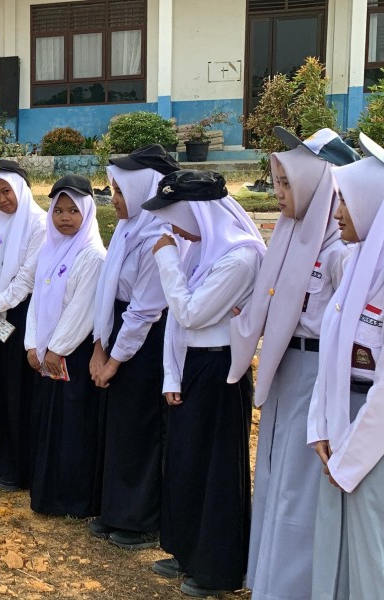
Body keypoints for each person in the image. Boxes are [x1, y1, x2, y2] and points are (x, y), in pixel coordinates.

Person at [230, 128, 358, 599]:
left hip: (316, 374)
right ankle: (265, 579)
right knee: (274, 478)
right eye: (276, 183)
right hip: (287, 369)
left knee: (299, 490)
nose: (279, 194)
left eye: (286, 184)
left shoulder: (339, 249)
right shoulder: (289, 234)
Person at [144, 170, 265, 598]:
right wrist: (172, 375)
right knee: (183, 461)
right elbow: (178, 323)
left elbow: (191, 313)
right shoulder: (200, 248)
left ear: (199, 213)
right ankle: (185, 548)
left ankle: (217, 567)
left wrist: (166, 260)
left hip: (220, 371)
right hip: (193, 366)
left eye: (175, 218)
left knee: (216, 471)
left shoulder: (239, 256)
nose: (171, 229)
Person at [89, 145, 180, 548]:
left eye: (121, 191)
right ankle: (115, 509)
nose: (114, 200)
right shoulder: (128, 229)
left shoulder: (159, 235)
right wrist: (98, 345)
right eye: (112, 190)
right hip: (119, 334)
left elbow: (145, 308)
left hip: (145, 343)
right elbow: (106, 291)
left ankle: (139, 519)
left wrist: (113, 360)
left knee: (141, 427)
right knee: (119, 424)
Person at [306, 133, 384, 600]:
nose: (336, 215)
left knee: (371, 552)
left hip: (371, 439)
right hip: (342, 426)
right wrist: (322, 428)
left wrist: (351, 455)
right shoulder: (357, 263)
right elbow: (330, 351)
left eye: (345, 203)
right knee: (336, 549)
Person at [23, 174, 107, 518]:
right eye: (59, 210)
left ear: (87, 212)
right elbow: (37, 300)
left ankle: (72, 499)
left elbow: (82, 310)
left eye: (74, 210)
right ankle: (48, 493)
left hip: (71, 353)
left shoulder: (93, 256)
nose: (66, 218)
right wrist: (32, 344)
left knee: (73, 426)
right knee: (50, 422)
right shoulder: (50, 249)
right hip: (47, 354)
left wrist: (57, 349)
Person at [0, 160, 46, 491]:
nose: (2, 200)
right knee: (0, 388)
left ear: (19, 188)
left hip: (24, 314)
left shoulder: (40, 224)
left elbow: (27, 278)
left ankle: (20, 470)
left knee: (20, 391)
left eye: (6, 192)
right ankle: (1, 462)